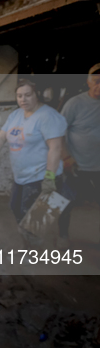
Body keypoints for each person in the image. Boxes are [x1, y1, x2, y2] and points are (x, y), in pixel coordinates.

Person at [0, 79, 67, 224]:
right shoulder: (16, 115)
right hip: (22, 176)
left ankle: (37, 244)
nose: (23, 99)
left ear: (37, 94)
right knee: (15, 208)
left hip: (41, 176)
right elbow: (1, 136)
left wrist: (49, 177)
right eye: (19, 96)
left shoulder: (48, 116)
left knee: (32, 219)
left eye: (28, 95)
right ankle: (32, 241)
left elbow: (55, 148)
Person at [59, 63, 100, 240]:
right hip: (75, 163)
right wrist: (66, 157)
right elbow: (57, 132)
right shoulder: (75, 103)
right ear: (88, 82)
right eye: (96, 81)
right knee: (63, 202)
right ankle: (61, 235)